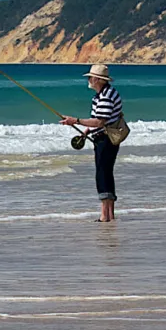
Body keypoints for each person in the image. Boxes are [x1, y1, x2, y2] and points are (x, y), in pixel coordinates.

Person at [60, 64, 123, 222]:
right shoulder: (103, 94)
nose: (89, 80)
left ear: (98, 80)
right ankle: (109, 215)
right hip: (103, 137)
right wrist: (86, 131)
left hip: (106, 139)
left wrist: (76, 121)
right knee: (106, 173)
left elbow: (100, 122)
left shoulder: (105, 96)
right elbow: (99, 121)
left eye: (91, 77)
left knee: (102, 174)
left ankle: (105, 216)